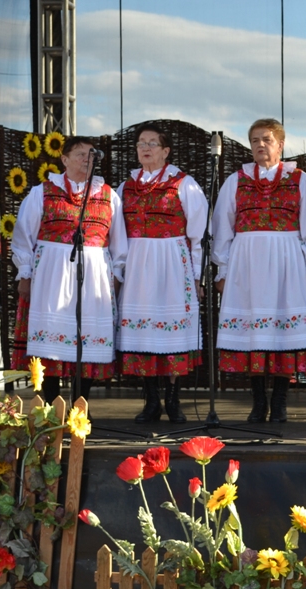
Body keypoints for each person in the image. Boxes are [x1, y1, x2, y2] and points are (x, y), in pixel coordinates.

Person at [211, 118, 306, 423]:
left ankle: (281, 401)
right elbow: (222, 226)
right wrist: (221, 270)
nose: (261, 145)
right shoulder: (236, 180)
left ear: (280, 145)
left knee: (284, 333)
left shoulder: (300, 179)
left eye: (267, 140)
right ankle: (259, 402)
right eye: (256, 140)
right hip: (246, 266)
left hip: (287, 264)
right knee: (253, 334)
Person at [11, 136, 127, 405]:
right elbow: (23, 237)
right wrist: (25, 274)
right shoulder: (41, 192)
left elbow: (119, 243)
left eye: (91, 155)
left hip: (94, 274)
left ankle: (80, 405)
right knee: (51, 335)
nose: (88, 159)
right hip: (51, 274)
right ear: (64, 159)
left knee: (87, 336)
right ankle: (52, 404)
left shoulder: (109, 195)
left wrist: (116, 276)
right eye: (80, 154)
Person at [116, 124, 207, 424]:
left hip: (172, 262)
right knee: (143, 333)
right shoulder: (125, 187)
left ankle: (174, 400)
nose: (145, 148)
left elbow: (198, 235)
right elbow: (116, 234)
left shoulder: (184, 184)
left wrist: (197, 277)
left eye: (152, 143)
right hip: (138, 266)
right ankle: (151, 400)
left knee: (173, 335)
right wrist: (119, 271)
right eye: (141, 143)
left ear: (166, 151)